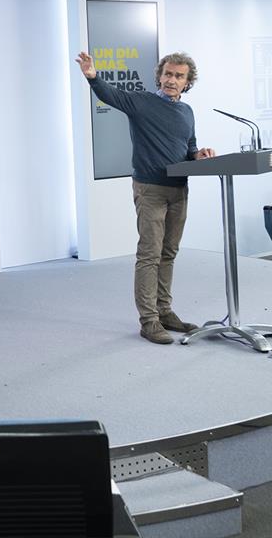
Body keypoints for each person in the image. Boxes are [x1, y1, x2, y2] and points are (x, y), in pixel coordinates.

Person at [76, 50, 216, 345]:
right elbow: (110, 94)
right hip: (150, 189)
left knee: (169, 253)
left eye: (179, 76)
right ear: (159, 76)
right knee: (150, 255)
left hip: (179, 189)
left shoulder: (187, 112)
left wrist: (198, 154)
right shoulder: (142, 102)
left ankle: (165, 312)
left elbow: (189, 146)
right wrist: (92, 76)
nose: (171, 80)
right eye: (167, 74)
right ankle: (149, 320)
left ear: (188, 82)